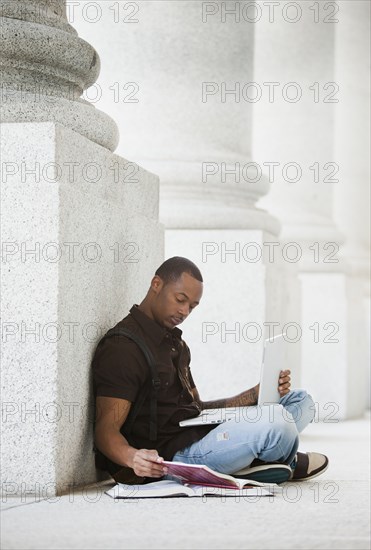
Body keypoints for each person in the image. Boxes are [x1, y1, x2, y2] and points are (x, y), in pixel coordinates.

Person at [92, 256, 329, 484]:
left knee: (301, 402)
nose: (185, 312)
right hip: (175, 457)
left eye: (192, 306)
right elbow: (105, 430)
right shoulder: (123, 348)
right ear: (156, 284)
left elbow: (198, 409)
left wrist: (255, 395)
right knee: (277, 422)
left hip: (199, 435)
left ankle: (256, 461)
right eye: (180, 299)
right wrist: (133, 458)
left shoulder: (176, 344)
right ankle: (271, 459)